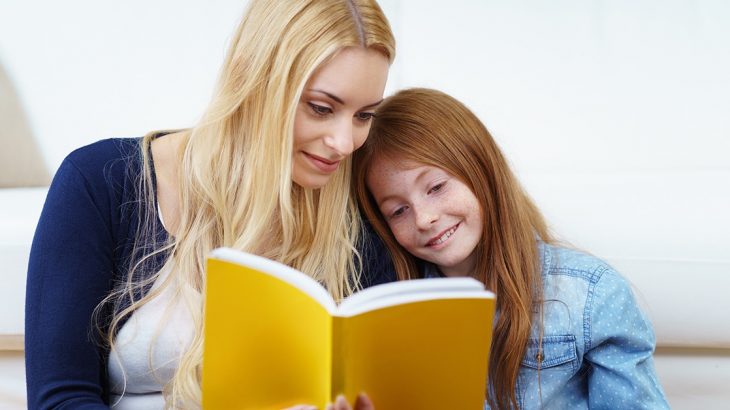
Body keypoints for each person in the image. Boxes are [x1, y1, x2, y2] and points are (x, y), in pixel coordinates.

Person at [25, 0, 396, 408]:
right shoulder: (101, 182)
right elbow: (60, 399)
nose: (345, 143)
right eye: (321, 108)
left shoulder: (355, 224)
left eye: (364, 116)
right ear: (257, 81)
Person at [353, 88, 670, 409]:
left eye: (436, 187)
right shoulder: (396, 312)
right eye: (398, 210)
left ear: (482, 171)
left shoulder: (590, 295)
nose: (424, 218)